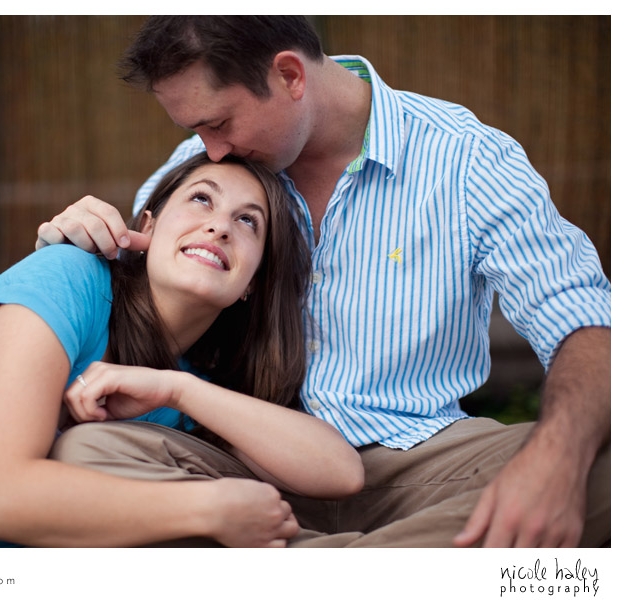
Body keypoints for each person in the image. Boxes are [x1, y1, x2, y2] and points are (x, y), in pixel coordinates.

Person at [36, 16, 611, 547]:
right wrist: (79, 239)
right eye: (197, 130)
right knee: (87, 453)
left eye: (219, 123)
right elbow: (138, 295)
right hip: (241, 467)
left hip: (428, 464)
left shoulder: (468, 160)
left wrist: (556, 461)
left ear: (289, 75)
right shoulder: (206, 169)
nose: (211, 148)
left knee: (606, 468)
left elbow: (584, 321)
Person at [0, 152, 364, 547]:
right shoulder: (71, 276)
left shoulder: (194, 390)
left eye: (248, 222)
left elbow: (340, 472)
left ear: (251, 283)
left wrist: (179, 388)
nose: (220, 227)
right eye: (201, 199)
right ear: (147, 227)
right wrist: (211, 508)